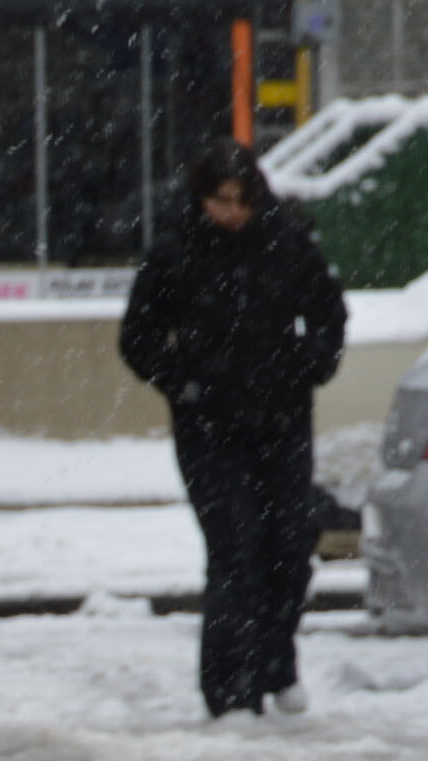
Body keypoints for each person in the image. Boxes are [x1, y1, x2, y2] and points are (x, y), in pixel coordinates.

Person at [121, 138, 346, 718]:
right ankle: (230, 694)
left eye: (242, 200)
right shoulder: (176, 251)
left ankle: (275, 664)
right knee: (236, 549)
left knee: (289, 546)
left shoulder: (287, 242)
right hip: (209, 429)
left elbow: (328, 312)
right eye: (221, 200)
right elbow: (138, 337)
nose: (232, 212)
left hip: (282, 422)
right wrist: (184, 383)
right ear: (201, 197)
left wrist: (308, 364)